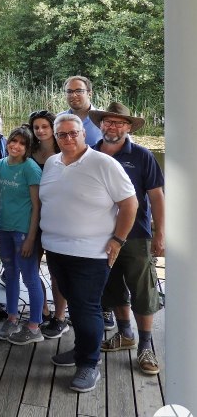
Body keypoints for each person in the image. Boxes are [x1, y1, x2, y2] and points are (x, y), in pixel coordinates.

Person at [41, 114, 137, 393]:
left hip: (91, 253)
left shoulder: (104, 163)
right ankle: (82, 350)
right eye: (62, 135)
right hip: (57, 249)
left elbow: (130, 204)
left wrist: (118, 240)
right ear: (55, 138)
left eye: (73, 133)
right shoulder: (52, 163)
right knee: (75, 303)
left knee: (87, 308)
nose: (68, 139)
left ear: (84, 133)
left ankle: (89, 364)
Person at [89, 102, 164, 375]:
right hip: (98, 235)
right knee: (112, 287)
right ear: (100, 125)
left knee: (143, 290)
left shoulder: (143, 156)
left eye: (119, 123)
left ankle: (146, 345)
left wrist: (160, 234)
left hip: (136, 235)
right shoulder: (90, 153)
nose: (113, 126)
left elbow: (156, 197)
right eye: (108, 122)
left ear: (128, 127)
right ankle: (125, 333)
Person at [0, 126, 44, 345]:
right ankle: (12, 317)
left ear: (28, 148)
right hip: (3, 227)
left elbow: (37, 205)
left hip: (23, 230)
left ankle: (34, 325)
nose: (16, 146)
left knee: (30, 276)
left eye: (22, 143)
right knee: (10, 273)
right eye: (13, 141)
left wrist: (31, 237)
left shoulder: (30, 168)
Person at [28, 110, 69, 339]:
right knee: (30, 267)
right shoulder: (30, 152)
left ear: (53, 128)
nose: (40, 131)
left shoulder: (65, 151)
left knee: (56, 270)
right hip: (32, 217)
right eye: (36, 127)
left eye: (45, 126)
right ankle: (41, 308)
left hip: (56, 218)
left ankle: (60, 317)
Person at [58, 76, 102, 146]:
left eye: (79, 91)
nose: (74, 95)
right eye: (69, 91)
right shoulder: (57, 119)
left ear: (89, 93)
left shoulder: (104, 119)